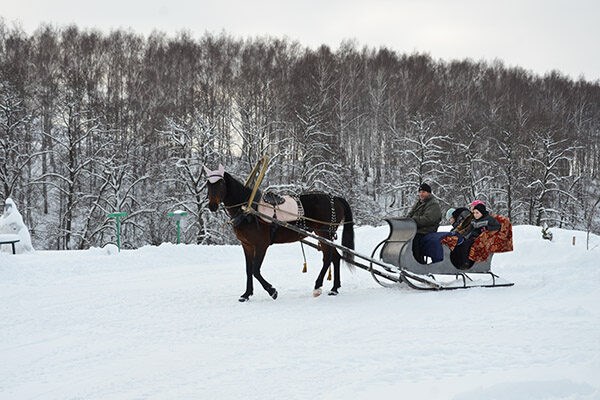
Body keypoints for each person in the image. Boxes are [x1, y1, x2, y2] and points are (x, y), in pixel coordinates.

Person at [450, 203, 500, 269]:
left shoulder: (488, 219)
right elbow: (466, 230)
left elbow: (496, 227)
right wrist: (456, 233)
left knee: (466, 245)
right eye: (474, 213)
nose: (475, 214)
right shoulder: (474, 221)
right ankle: (460, 262)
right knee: (462, 244)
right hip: (473, 238)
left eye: (477, 213)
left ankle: (465, 263)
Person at [407, 183, 442, 264]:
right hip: (416, 229)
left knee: (415, 240)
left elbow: (429, 219)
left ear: (428, 193)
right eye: (420, 192)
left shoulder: (433, 204)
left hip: (426, 231)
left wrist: (413, 220)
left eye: (423, 192)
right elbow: (410, 214)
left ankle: (419, 263)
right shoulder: (419, 203)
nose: (421, 194)